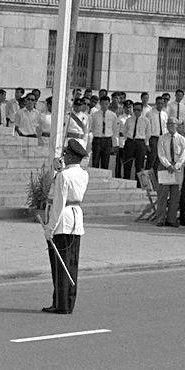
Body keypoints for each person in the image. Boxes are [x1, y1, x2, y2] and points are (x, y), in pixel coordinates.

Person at [42, 139, 89, 315]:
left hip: (63, 221)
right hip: (76, 220)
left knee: (59, 265)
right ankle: (68, 302)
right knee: (71, 263)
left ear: (69, 156)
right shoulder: (83, 174)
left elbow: (58, 204)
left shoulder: (63, 176)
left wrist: (49, 228)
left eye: (65, 154)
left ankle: (60, 304)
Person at [155, 117, 185, 227]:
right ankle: (160, 219)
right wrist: (168, 165)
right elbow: (161, 154)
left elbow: (183, 155)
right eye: (168, 124)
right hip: (165, 167)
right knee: (162, 194)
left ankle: (171, 219)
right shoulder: (162, 138)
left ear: (177, 125)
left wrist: (176, 166)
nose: (170, 126)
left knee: (175, 195)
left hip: (177, 168)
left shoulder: (182, 139)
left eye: (173, 124)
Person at [122, 102, 150, 183]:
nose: (136, 111)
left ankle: (138, 185)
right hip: (130, 142)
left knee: (139, 165)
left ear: (141, 110)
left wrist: (143, 143)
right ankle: (126, 183)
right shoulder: (129, 120)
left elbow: (148, 133)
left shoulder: (146, 121)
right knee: (127, 164)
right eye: (135, 110)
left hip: (140, 143)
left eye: (138, 110)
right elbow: (124, 132)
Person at [89, 95, 119, 170]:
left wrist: (115, 144)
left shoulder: (113, 115)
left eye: (106, 104)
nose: (104, 106)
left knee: (105, 162)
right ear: (100, 104)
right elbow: (91, 128)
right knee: (95, 161)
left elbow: (115, 130)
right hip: (97, 139)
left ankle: (103, 180)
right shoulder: (94, 115)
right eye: (102, 104)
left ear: (109, 104)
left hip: (107, 140)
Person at [145, 96, 168, 171]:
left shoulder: (164, 114)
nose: (160, 105)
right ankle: (146, 177)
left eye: (162, 103)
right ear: (156, 103)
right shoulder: (150, 113)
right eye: (159, 103)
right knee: (151, 158)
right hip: (153, 138)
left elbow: (166, 128)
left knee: (159, 158)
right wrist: (147, 143)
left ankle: (154, 177)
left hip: (162, 138)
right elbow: (147, 129)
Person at [115, 100, 132, 178]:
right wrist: (116, 144)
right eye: (127, 107)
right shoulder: (120, 118)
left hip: (130, 142)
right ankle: (117, 177)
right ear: (124, 108)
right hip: (121, 141)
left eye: (130, 107)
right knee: (119, 162)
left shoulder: (133, 118)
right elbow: (116, 132)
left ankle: (126, 177)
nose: (128, 109)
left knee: (127, 162)